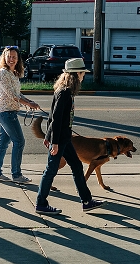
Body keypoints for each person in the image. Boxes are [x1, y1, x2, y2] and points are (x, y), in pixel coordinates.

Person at [34, 58, 105, 215]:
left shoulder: (64, 91)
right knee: (51, 170)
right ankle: (41, 203)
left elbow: (52, 116)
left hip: (64, 139)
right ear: (76, 74)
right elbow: (56, 118)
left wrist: (48, 136)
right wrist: (54, 141)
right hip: (60, 140)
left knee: (77, 166)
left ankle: (87, 201)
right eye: (82, 73)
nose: (83, 76)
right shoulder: (65, 93)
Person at [0, 46, 40, 183]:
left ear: (18, 59)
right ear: (4, 57)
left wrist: (29, 101)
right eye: (9, 56)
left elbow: (17, 93)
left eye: (14, 57)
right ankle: (17, 175)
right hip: (6, 112)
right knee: (19, 141)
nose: (11, 59)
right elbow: (12, 95)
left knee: (3, 143)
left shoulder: (12, 74)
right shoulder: (3, 73)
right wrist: (28, 104)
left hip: (7, 112)